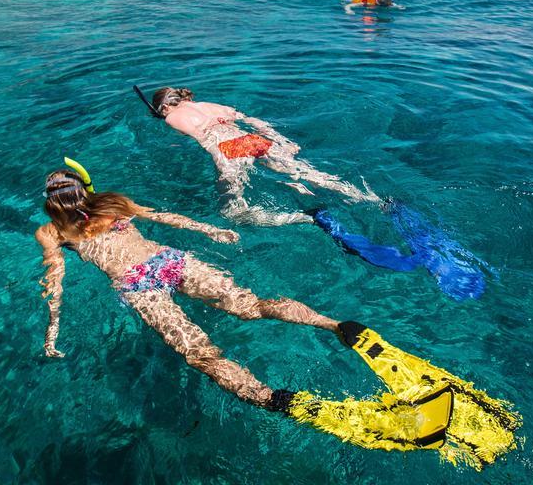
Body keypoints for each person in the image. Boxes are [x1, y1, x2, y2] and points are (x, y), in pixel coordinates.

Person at [36, 165, 349, 410]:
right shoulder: (111, 204)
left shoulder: (51, 232)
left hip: (138, 285)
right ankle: (333, 324)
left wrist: (53, 329)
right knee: (252, 306)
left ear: (50, 203)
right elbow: (162, 217)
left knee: (201, 355)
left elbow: (55, 279)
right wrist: (209, 229)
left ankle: (270, 399)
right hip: (169, 260)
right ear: (84, 188)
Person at [141, 87, 379, 225]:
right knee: (308, 173)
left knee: (232, 212)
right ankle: (367, 198)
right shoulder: (210, 105)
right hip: (254, 140)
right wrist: (282, 142)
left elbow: (201, 136)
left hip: (229, 150)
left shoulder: (171, 117)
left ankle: (303, 219)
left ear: (164, 108)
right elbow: (250, 120)